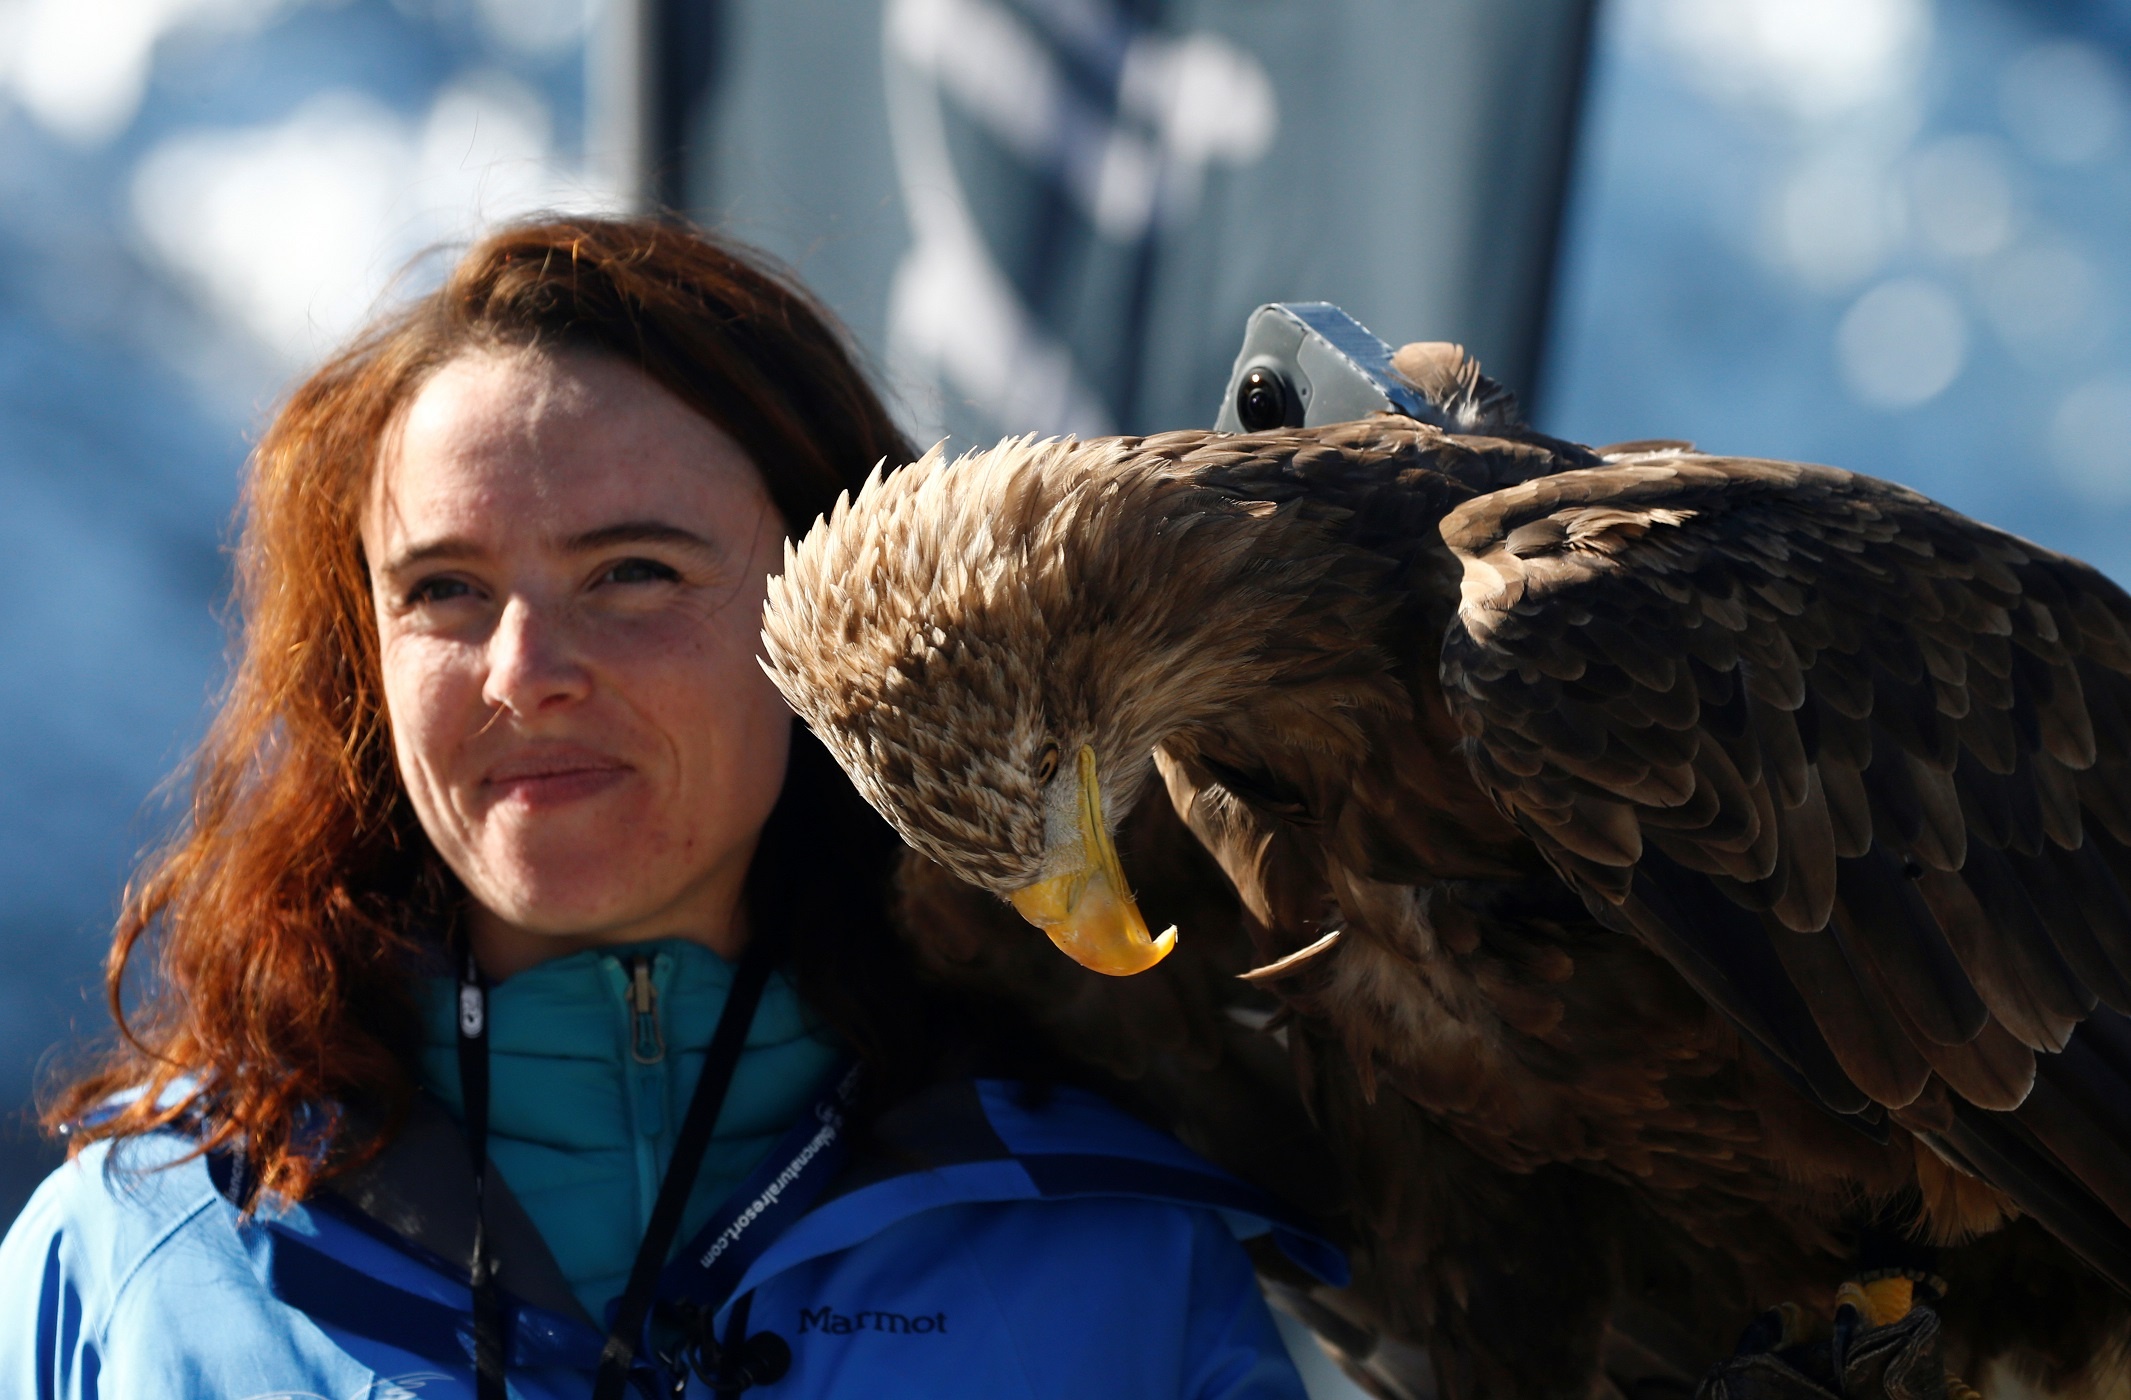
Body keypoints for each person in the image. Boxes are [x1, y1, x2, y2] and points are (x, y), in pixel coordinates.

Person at [0, 217, 1342, 1399]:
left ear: (834, 614)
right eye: (443, 590)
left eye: (632, 571)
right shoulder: (125, 1264)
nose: (522, 671)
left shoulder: (1117, 1252)